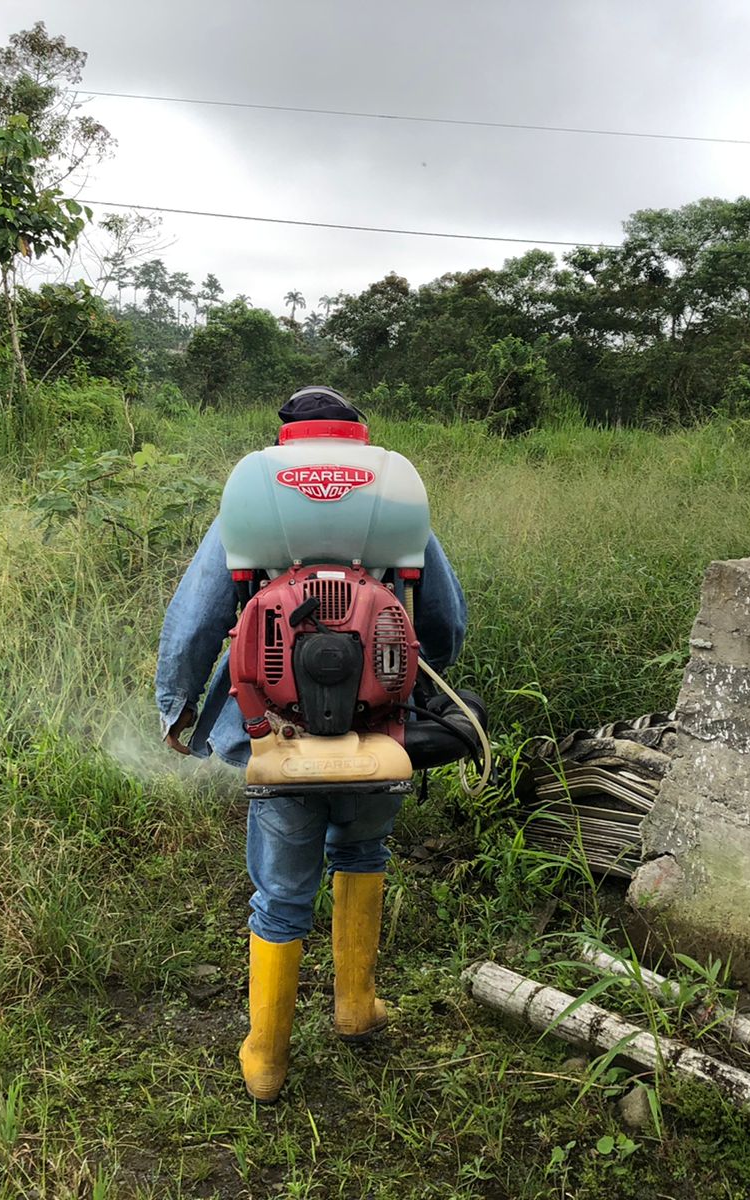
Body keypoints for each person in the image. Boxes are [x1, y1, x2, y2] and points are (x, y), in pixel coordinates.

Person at [156, 385, 468, 1101]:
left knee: (280, 893)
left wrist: (178, 708)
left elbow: (197, 619)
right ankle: (356, 1007)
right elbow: (445, 619)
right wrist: (419, 687)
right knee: (362, 851)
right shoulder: (394, 493)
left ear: (285, 438)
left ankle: (266, 1058)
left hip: (274, 731)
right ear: (357, 433)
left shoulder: (253, 494)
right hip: (380, 727)